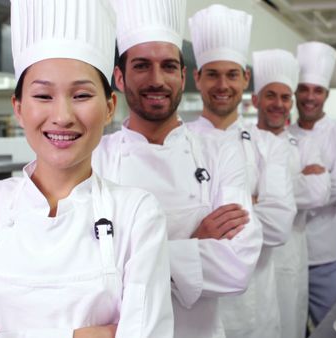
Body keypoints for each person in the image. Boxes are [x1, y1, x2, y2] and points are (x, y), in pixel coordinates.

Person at [0, 0, 174, 337]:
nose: (63, 115)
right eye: (43, 96)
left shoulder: (138, 213)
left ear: (109, 106)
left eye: (81, 95)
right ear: (18, 108)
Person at [92, 1, 262, 337]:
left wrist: (126, 259)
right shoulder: (96, 157)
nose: (157, 80)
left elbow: (237, 266)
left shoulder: (221, 152)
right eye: (141, 66)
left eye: (168, 66)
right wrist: (194, 245)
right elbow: (78, 268)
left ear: (183, 76)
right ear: (119, 78)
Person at [186, 5, 297, 338]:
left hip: (253, 304)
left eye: (232, 74)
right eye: (212, 74)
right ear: (197, 79)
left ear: (246, 79)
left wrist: (204, 219)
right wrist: (252, 201)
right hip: (193, 306)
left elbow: (278, 227)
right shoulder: (177, 141)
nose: (223, 84)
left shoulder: (269, 144)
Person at [251, 49, 331, 338]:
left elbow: (319, 193)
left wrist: (262, 198)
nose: (279, 104)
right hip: (250, 258)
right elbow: (232, 198)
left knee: (288, 324)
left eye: (285, 97)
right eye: (271, 95)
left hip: (289, 256)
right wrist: (292, 185)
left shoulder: (304, 144)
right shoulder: (241, 140)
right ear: (256, 99)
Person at [289, 41, 336, 326]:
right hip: (289, 255)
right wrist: (312, 184)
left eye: (317, 90)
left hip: (330, 255)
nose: (310, 97)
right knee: (291, 328)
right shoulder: (282, 135)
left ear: (326, 94)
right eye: (304, 89)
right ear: (295, 92)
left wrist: (287, 191)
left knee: (334, 326)